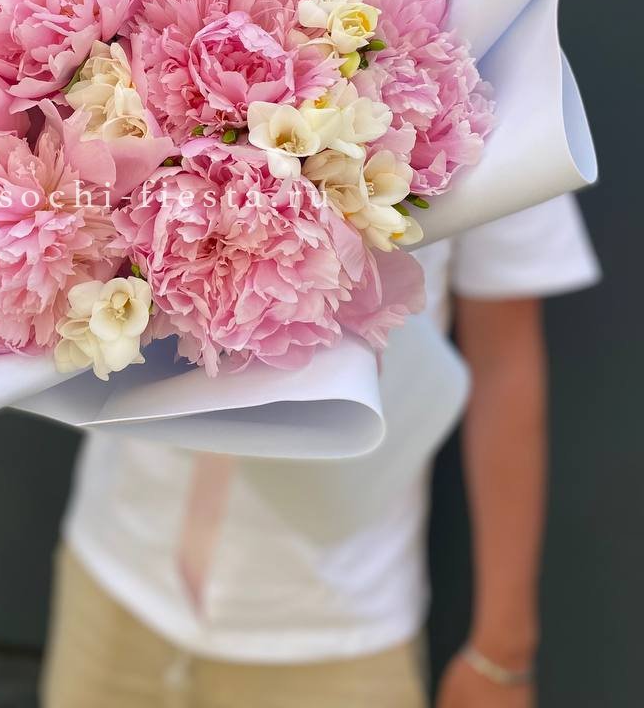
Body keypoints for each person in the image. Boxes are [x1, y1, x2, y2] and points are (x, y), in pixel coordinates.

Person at [41, 195, 599, 708]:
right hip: (115, 571)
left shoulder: (503, 113)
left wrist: (504, 653)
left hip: (337, 628)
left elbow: (504, 363)